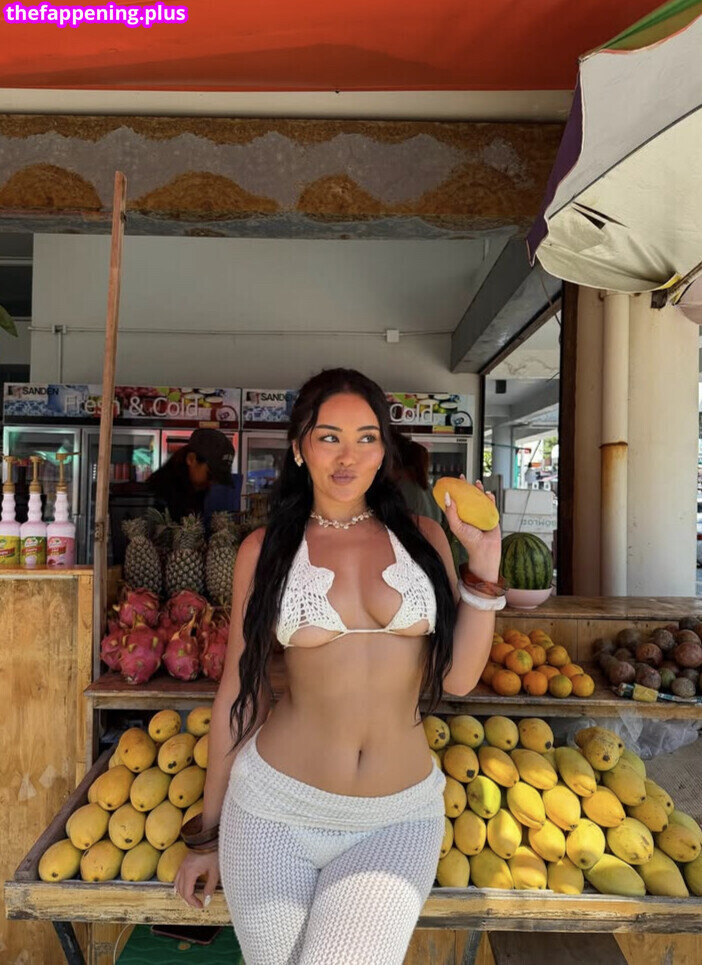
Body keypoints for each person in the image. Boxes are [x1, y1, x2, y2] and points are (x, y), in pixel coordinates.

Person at [174, 368, 503, 965]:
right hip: (273, 812)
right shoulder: (265, 549)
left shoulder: (424, 538)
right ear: (300, 447)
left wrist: (484, 565)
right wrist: (208, 834)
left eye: (366, 438)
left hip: (396, 820)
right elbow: (240, 694)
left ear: (384, 449)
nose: (348, 456)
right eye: (329, 437)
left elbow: (457, 679)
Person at [146, 427, 238, 528]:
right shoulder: (158, 496)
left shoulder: (195, 490)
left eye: (218, 478)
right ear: (191, 459)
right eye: (210, 475)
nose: (212, 483)